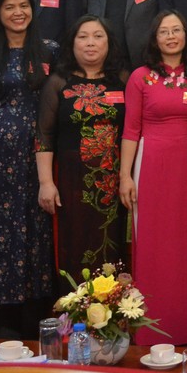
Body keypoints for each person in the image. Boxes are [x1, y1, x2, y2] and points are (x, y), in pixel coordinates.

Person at [119, 11, 187, 344]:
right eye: (164, 31)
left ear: (186, 35)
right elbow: (130, 130)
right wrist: (125, 176)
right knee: (154, 245)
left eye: (177, 30)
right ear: (155, 38)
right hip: (151, 166)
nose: (171, 36)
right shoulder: (140, 77)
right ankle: (150, 327)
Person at [0, 0, 57, 339]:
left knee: (38, 231)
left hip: (41, 153)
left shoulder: (50, 51)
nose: (18, 13)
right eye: (9, 7)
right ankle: (1, 321)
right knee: (2, 232)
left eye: (23, 6)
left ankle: (36, 318)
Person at [35, 15, 129, 283]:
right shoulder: (58, 82)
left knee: (111, 246)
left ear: (109, 43)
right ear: (72, 43)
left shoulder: (123, 80)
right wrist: (46, 183)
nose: (90, 43)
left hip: (113, 182)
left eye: (98, 36)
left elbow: (133, 131)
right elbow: (44, 135)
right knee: (74, 243)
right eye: (83, 37)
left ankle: (113, 305)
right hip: (71, 182)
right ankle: (74, 306)